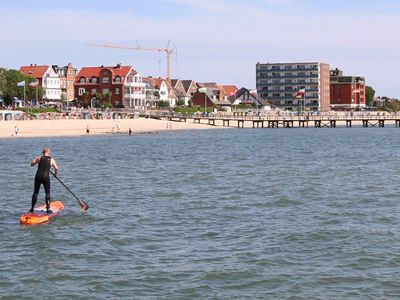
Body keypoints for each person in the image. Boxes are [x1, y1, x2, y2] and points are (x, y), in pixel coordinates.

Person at [30, 147, 59, 213]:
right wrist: (55, 175)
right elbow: (56, 168)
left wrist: (35, 159)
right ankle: (48, 209)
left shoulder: (39, 158)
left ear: (43, 152)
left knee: (35, 192)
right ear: (49, 152)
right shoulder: (51, 159)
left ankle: (32, 208)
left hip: (38, 176)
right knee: (47, 192)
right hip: (46, 177)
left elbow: (31, 164)